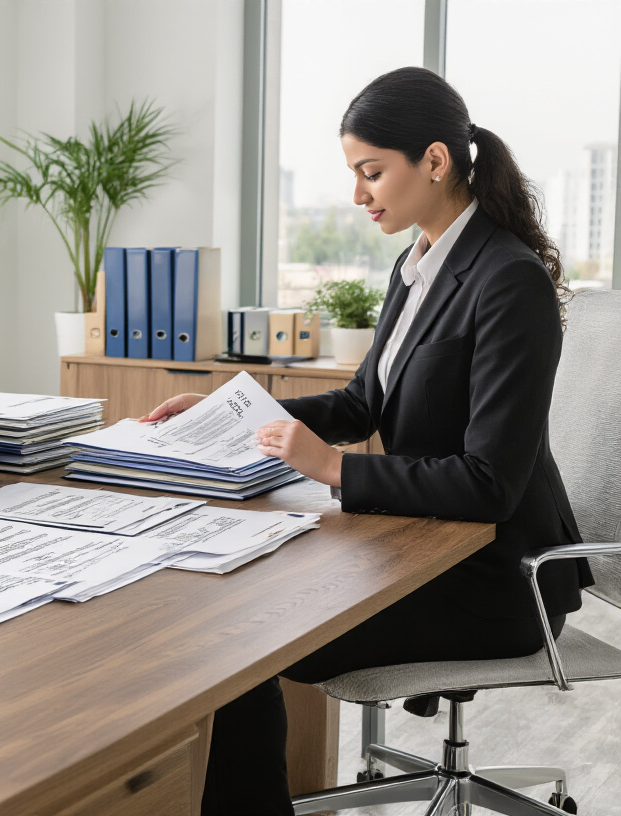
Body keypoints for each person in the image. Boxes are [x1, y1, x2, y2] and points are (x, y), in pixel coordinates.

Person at [142, 67, 591, 814]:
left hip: (497, 577)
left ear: (436, 161)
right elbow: (362, 402)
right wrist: (235, 410)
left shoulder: (507, 280)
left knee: (238, 647)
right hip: (423, 545)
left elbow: (490, 484)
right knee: (232, 620)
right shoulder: (415, 265)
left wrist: (335, 471)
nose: (359, 195)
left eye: (372, 172)